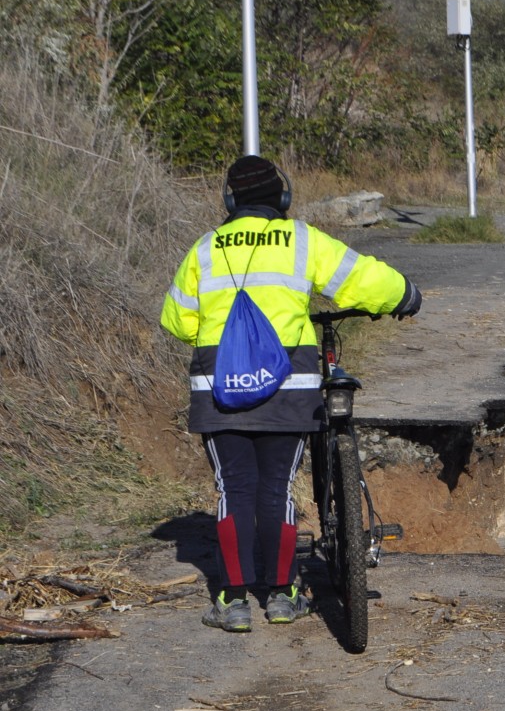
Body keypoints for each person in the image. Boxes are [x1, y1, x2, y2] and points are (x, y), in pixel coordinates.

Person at [160, 155, 422, 632]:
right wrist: (404, 293)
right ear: (282, 197)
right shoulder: (300, 239)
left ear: (230, 201)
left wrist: (229, 341)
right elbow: (360, 278)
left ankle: (232, 602)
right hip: (288, 387)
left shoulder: (206, 248)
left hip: (220, 389)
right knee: (277, 487)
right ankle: (283, 596)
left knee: (234, 488)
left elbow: (177, 320)